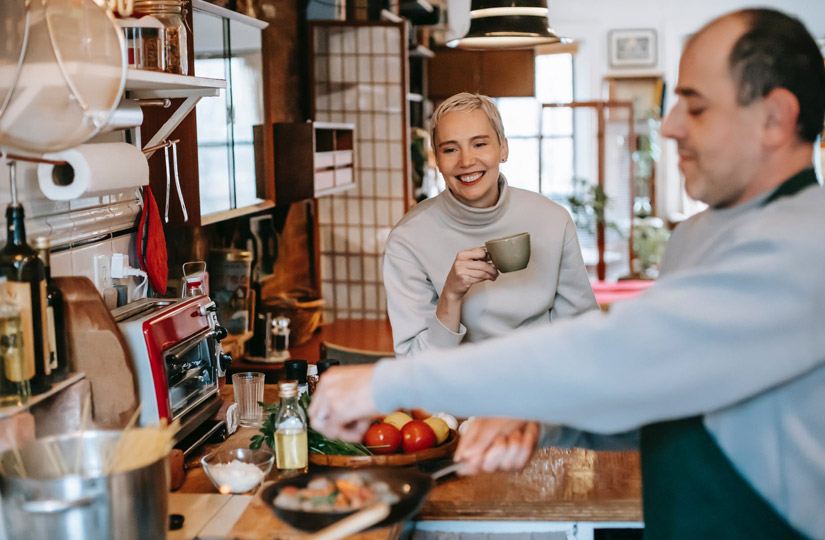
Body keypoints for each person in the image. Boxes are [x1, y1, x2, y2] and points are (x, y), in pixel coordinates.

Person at [309, 8, 825, 539]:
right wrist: (542, 419)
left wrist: (387, 381)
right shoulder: (696, 238)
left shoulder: (807, 248)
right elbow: (653, 391)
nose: (668, 126)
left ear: (775, 118)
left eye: (694, 107)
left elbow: (625, 349)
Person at [383, 93, 597, 357]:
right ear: (437, 160)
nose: (466, 161)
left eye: (479, 144)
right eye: (450, 149)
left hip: (543, 385)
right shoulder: (408, 240)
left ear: (503, 148)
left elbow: (583, 331)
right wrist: (451, 294)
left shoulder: (553, 220)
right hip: (460, 393)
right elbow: (413, 364)